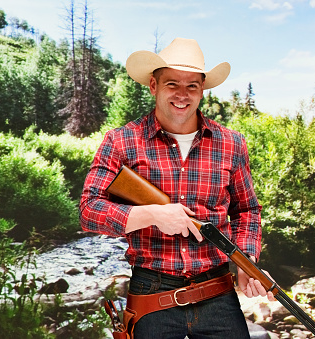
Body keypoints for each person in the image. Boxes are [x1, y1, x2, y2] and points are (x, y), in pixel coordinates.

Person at [80, 37, 274, 339]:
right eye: (172, 84)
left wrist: (246, 263)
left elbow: (247, 210)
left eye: (192, 86)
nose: (182, 95)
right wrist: (153, 214)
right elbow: (89, 210)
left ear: (202, 90)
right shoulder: (120, 141)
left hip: (217, 291)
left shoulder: (231, 143)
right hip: (150, 292)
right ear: (153, 86)